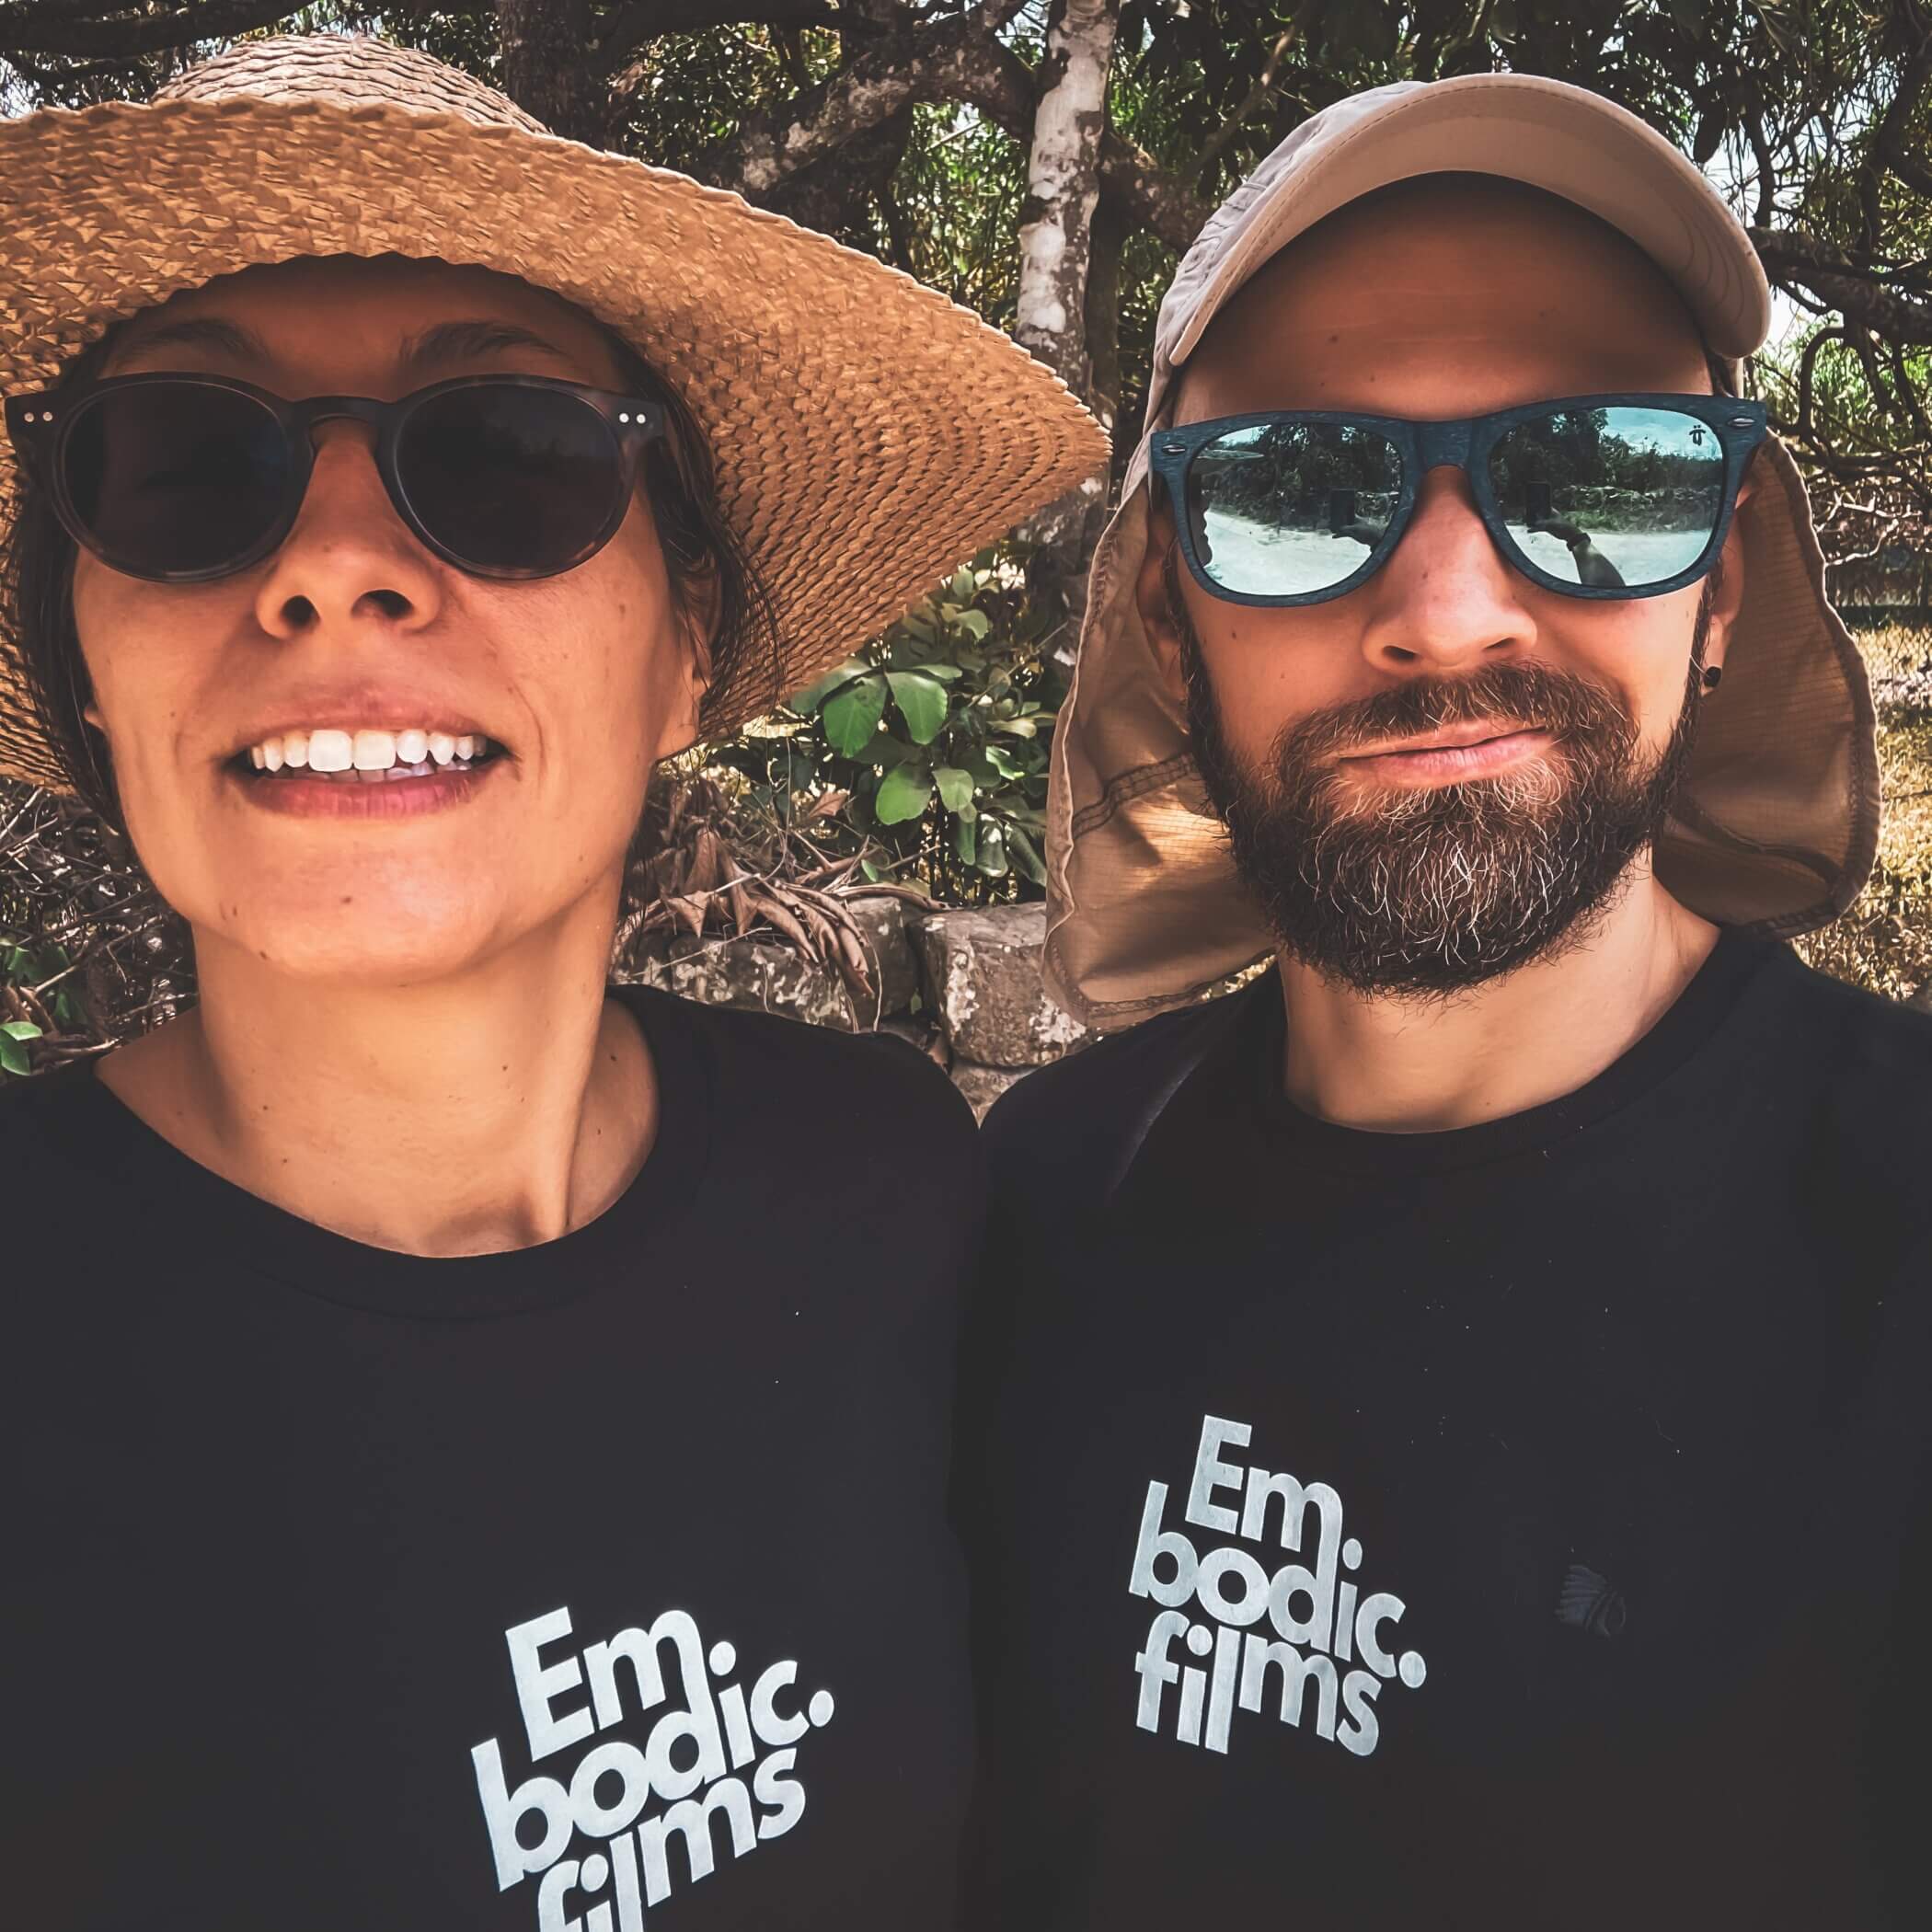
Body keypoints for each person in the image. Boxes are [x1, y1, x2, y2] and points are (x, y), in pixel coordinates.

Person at [0, 33, 1102, 1930]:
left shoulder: (887, 1187)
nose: (337, 570)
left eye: (505, 459)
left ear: (689, 645)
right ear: (84, 658)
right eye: (186, 467)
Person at [961, 74, 1927, 1929]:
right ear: (1170, 610)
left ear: (1723, 583)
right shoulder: (1040, 1201)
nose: (1451, 610)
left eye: (1601, 473)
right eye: (1301, 490)